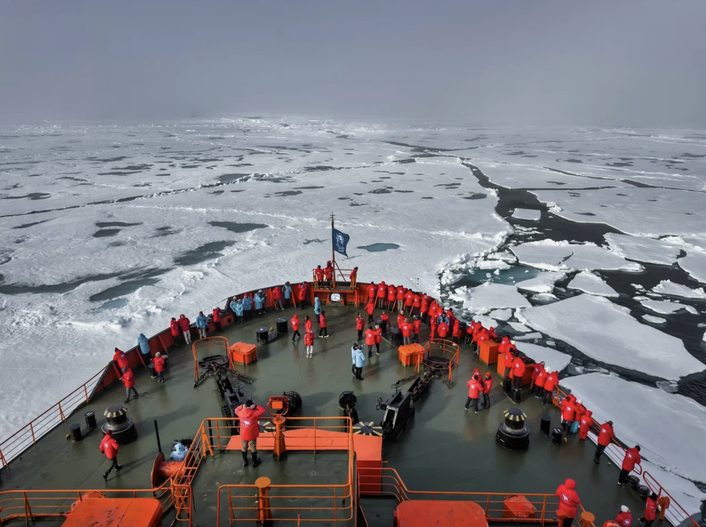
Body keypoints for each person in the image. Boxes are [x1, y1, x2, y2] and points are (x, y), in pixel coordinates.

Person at [235, 400, 266, 467]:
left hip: (243, 434)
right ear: (251, 406)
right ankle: (255, 462)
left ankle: (245, 462)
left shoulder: (240, 413)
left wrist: (241, 406)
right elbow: (263, 410)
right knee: (253, 447)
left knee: (244, 447)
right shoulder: (255, 413)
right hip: (252, 434)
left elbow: (236, 409)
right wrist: (256, 406)